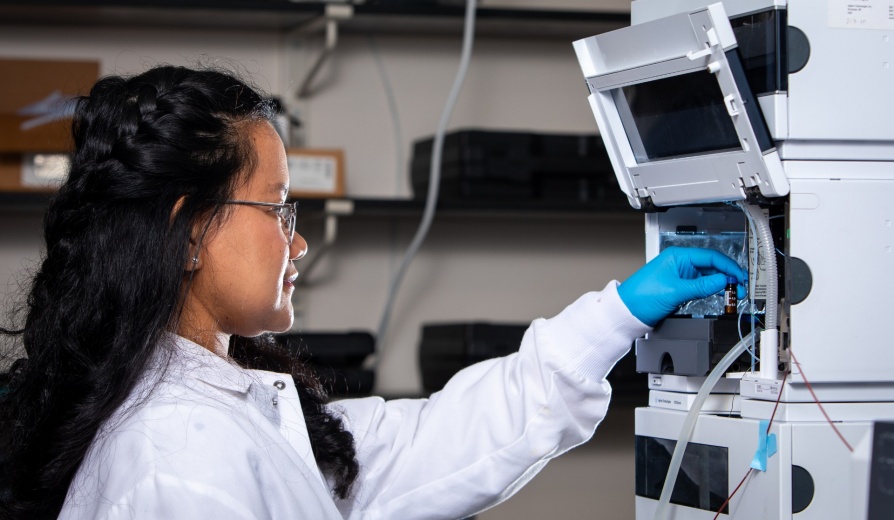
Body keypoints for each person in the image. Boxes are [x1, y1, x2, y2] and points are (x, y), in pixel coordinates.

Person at [0, 65, 745, 520]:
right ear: (190, 233)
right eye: (280, 207)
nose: (299, 241)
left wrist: (618, 312)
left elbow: (430, 444)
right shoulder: (182, 459)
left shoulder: (225, 406)